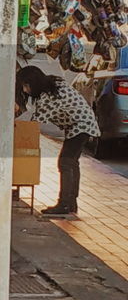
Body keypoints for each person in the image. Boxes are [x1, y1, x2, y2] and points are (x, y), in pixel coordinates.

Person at [16, 65, 100, 218]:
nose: (25, 90)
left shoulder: (49, 97)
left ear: (32, 83)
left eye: (25, 85)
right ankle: (71, 202)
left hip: (80, 126)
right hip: (83, 124)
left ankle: (64, 203)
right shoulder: (54, 85)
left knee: (65, 163)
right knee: (72, 163)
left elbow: (35, 124)